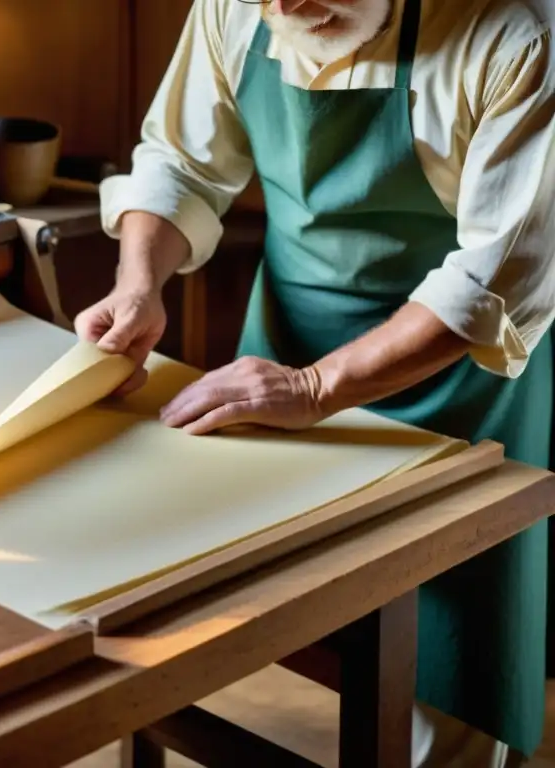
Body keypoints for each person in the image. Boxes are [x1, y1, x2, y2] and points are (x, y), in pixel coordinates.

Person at [74, 0, 555, 764]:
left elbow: (493, 280)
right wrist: (139, 285)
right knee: (257, 624)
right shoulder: (232, 8)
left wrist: (314, 389)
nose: (288, 7)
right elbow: (180, 164)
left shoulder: (515, 33)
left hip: (454, 383)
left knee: (443, 675)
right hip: (278, 360)